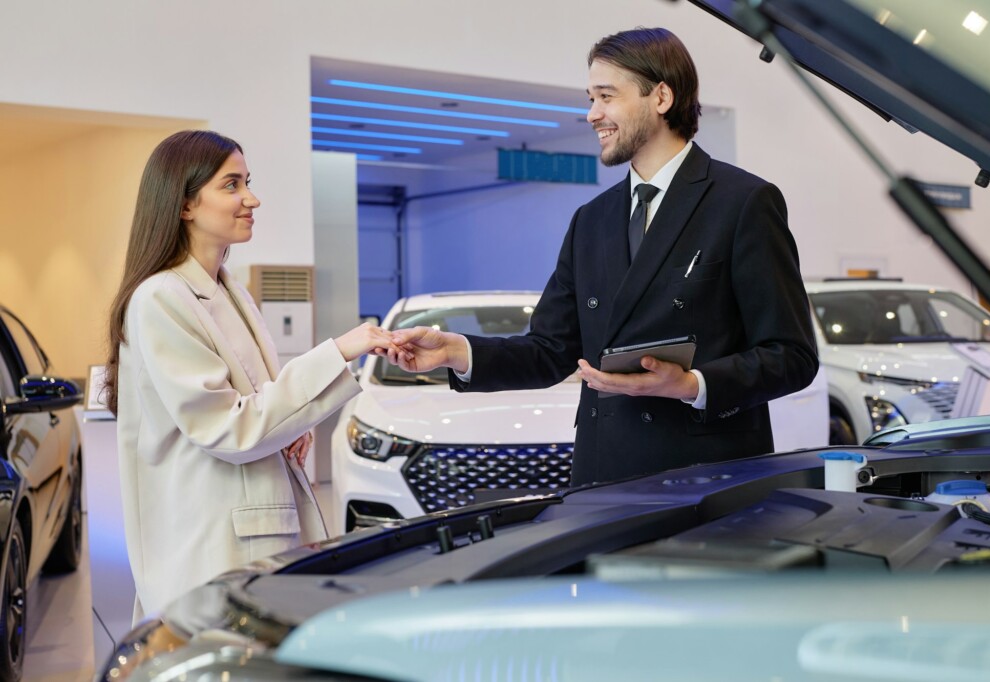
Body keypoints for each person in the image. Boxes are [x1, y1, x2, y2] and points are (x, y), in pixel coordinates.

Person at [388, 27, 819, 486]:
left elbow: (791, 355)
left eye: (606, 96)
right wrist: (457, 351)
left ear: (661, 97)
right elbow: (550, 351)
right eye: (590, 98)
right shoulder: (590, 220)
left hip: (708, 478)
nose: (592, 114)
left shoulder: (743, 201)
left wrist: (692, 385)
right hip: (603, 474)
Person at [104, 130, 391, 620]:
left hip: (251, 536)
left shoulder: (230, 291)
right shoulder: (161, 299)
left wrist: (290, 430)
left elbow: (261, 406)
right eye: (231, 185)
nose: (251, 199)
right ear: (185, 204)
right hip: (211, 546)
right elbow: (231, 427)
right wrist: (340, 351)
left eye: (247, 183)